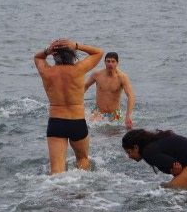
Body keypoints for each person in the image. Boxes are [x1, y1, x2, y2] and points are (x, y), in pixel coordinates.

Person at [33, 39, 103, 173]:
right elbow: (98, 53)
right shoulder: (79, 69)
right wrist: (77, 45)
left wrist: (47, 51)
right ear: (73, 55)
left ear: (54, 56)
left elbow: (37, 57)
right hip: (77, 121)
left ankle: (57, 192)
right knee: (82, 159)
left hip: (56, 122)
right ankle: (81, 192)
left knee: (56, 171)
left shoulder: (47, 72)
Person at [122, 129, 187, 190]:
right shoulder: (154, 143)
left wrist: (174, 171)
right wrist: (175, 171)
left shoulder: (148, 152)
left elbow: (175, 166)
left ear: (136, 148)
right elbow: (176, 166)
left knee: (167, 192)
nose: (129, 156)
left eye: (129, 152)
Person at [84, 51, 135, 129]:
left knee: (128, 128)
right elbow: (85, 87)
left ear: (117, 63)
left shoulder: (122, 77)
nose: (110, 64)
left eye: (113, 61)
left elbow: (131, 96)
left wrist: (128, 115)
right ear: (104, 62)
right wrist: (76, 103)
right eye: (108, 61)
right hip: (98, 112)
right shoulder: (97, 74)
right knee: (88, 127)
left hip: (115, 114)